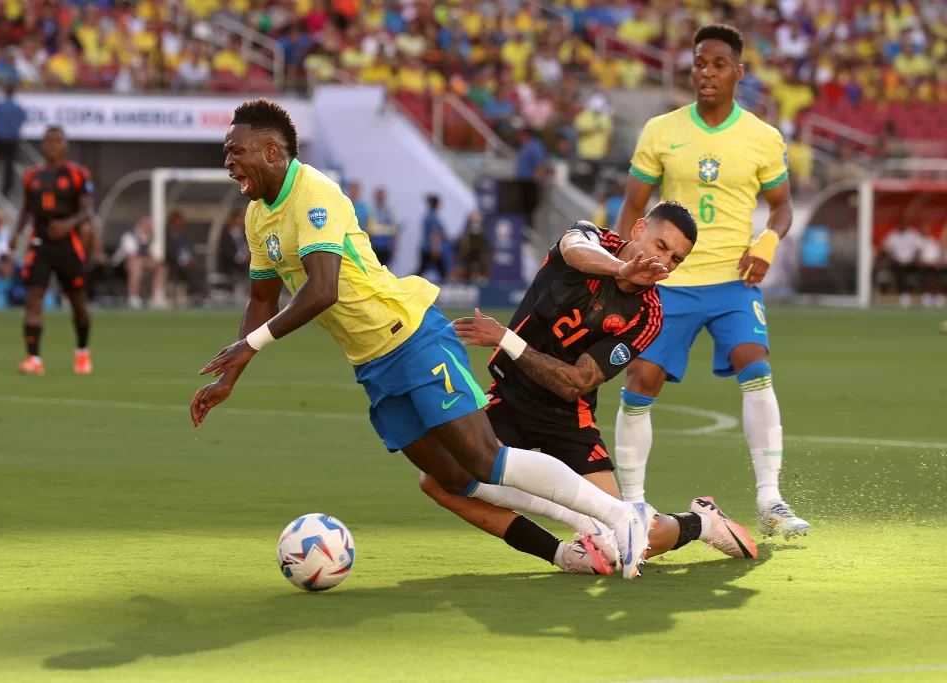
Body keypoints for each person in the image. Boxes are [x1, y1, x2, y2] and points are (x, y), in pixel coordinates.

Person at [190, 97, 671, 580]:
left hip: (411, 335)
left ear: (273, 152)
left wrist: (249, 345)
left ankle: (618, 516)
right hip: (372, 363)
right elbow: (260, 301)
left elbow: (321, 290)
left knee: (485, 458)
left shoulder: (315, 192)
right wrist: (232, 370)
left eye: (237, 151)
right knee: (450, 477)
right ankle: (571, 549)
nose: (228, 161)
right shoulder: (258, 218)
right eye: (227, 151)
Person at [425, 211, 757, 574]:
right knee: (440, 480)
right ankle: (565, 555)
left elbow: (576, 383)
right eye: (661, 246)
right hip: (508, 395)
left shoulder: (648, 316)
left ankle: (701, 522)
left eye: (676, 258)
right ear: (640, 229)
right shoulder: (590, 239)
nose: (665, 261)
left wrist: (506, 338)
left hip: (566, 419)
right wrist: (620, 270)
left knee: (618, 542)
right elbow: (573, 249)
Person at [612, 25, 809, 538]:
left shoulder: (763, 138)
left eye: (719, 64)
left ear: (738, 73)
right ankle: (631, 507)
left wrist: (767, 243)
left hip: (732, 283)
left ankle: (771, 500)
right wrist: (620, 264)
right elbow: (633, 205)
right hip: (666, 283)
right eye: (700, 63)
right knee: (640, 382)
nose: (707, 72)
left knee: (755, 363)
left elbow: (782, 207)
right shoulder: (661, 129)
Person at [11, 126, 103, 376]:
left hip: (68, 244)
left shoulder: (77, 174)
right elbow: (26, 208)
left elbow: (87, 211)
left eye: (57, 141)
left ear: (65, 145)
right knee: (33, 299)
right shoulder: (32, 176)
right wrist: (15, 233)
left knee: (78, 304)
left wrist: (67, 224)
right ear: (42, 145)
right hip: (39, 242)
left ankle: (82, 351)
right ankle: (33, 359)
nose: (52, 146)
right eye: (48, 141)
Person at [0, 85, 27, 202]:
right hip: (12, 141)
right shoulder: (18, 107)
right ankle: (6, 193)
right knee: (9, 168)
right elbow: (22, 121)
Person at [114, 216, 166, 309]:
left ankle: (154, 298)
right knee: (135, 264)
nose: (149, 228)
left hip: (141, 263)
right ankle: (133, 297)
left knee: (160, 266)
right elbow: (132, 256)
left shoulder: (150, 238)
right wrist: (147, 261)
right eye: (147, 226)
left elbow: (151, 256)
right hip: (120, 266)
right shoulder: (129, 235)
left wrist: (153, 263)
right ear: (141, 225)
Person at [166, 211, 207, 305]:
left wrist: (191, 260)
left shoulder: (184, 235)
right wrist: (184, 262)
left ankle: (201, 294)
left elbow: (189, 251)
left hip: (188, 263)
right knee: (191, 271)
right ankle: (195, 294)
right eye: (178, 221)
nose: (180, 224)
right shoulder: (167, 236)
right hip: (176, 265)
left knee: (201, 270)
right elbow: (170, 254)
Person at [218, 209, 251, 296]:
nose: (240, 221)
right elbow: (226, 252)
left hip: (247, 261)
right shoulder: (226, 234)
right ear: (232, 219)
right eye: (238, 218)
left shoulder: (244, 232)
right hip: (231, 264)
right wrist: (242, 258)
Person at [416, 194, 447, 281]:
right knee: (441, 271)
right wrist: (435, 249)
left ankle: (407, 284)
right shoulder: (433, 217)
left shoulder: (428, 216)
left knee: (422, 269)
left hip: (426, 248)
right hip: (430, 249)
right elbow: (434, 234)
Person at [367, 186, 398, 267]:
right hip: (374, 246)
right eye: (378, 195)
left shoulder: (390, 211)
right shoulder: (371, 210)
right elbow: (369, 229)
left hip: (386, 246)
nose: (380, 197)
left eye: (382, 195)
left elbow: (394, 230)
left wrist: (394, 246)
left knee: (386, 269)